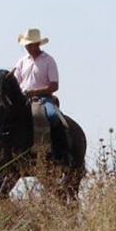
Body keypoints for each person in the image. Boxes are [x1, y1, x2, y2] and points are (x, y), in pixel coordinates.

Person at [12, 28, 70, 163]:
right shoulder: (22, 62)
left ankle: (59, 151)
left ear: (37, 44)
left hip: (43, 98)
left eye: (30, 44)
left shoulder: (48, 60)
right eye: (26, 45)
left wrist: (35, 92)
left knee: (52, 116)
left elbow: (54, 86)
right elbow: (15, 83)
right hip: (24, 99)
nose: (27, 48)